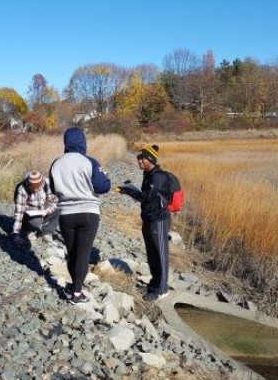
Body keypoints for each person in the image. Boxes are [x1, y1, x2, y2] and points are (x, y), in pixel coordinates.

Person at [49, 127, 111, 304]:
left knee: (72, 252)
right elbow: (102, 187)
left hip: (66, 214)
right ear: (83, 142)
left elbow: (53, 189)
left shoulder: (56, 163)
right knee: (83, 253)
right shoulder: (89, 161)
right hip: (88, 212)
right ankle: (77, 293)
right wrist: (105, 177)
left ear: (66, 142)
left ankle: (73, 285)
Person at [117, 144, 171, 301]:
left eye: (142, 158)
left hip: (158, 220)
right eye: (138, 158)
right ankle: (155, 284)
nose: (139, 161)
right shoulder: (148, 174)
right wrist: (128, 189)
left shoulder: (158, 176)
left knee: (160, 254)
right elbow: (146, 196)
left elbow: (147, 197)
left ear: (150, 160)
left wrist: (128, 190)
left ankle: (162, 289)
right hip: (148, 218)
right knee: (152, 253)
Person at [12, 171, 59, 246]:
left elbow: (54, 201)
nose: (36, 190)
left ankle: (47, 232)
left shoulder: (47, 184)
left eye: (38, 188)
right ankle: (27, 229)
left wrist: (47, 211)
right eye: (33, 189)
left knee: (60, 208)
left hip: (43, 207)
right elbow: (19, 213)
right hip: (29, 210)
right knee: (37, 222)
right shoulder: (22, 189)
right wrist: (16, 234)